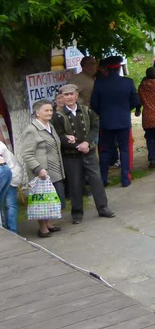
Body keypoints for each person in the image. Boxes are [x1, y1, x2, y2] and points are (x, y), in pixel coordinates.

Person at [51, 84, 115, 224]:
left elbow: (94, 126)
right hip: (71, 155)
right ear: (61, 97)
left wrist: (87, 143)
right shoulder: (57, 116)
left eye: (71, 94)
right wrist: (75, 146)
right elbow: (58, 135)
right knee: (75, 183)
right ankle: (77, 213)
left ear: (76, 95)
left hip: (89, 152)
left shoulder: (87, 110)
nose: (68, 97)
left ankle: (103, 208)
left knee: (96, 180)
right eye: (65, 95)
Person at [19, 100, 66, 237]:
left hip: (53, 170)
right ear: (37, 113)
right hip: (41, 172)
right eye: (46, 110)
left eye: (51, 110)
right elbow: (27, 154)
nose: (50, 113)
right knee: (41, 200)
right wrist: (39, 169)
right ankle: (42, 228)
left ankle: (49, 224)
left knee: (50, 198)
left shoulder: (49, 126)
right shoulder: (31, 130)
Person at [91, 56, 140, 186]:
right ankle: (125, 179)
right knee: (125, 149)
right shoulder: (128, 82)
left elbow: (94, 104)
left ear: (107, 69)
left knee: (105, 151)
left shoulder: (99, 83)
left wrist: (103, 113)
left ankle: (103, 179)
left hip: (106, 122)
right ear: (119, 68)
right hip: (123, 121)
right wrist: (125, 110)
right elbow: (135, 101)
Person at [0, 140, 25, 233]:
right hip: (12, 173)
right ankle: (12, 231)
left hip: (8, 172)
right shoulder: (2, 145)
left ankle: (6, 232)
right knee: (11, 205)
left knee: (9, 205)